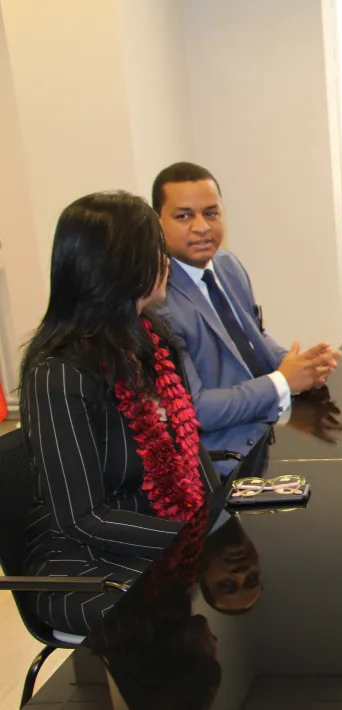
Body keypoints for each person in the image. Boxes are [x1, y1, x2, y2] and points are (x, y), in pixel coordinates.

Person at [19, 191, 221, 635]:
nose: (165, 260)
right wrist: (188, 538)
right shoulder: (60, 373)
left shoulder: (154, 341)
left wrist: (219, 516)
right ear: (121, 266)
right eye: (155, 251)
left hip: (161, 541)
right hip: (89, 564)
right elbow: (80, 519)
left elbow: (191, 450)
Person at [155, 162, 341, 470]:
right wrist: (282, 380)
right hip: (218, 456)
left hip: (267, 425)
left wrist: (301, 367)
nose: (201, 227)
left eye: (211, 213)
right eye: (184, 215)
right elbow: (195, 410)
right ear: (156, 220)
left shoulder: (227, 264)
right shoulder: (158, 297)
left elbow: (252, 336)